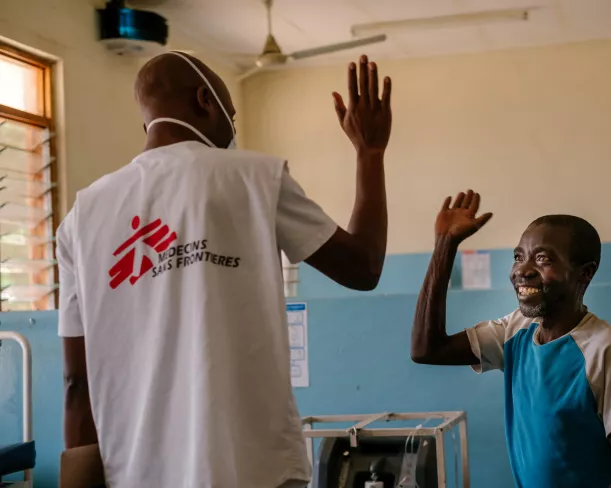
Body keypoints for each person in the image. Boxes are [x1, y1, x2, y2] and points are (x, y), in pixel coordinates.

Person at [57, 51, 392, 488]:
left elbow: (75, 383)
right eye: (231, 115)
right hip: (253, 471)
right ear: (205, 101)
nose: (232, 130)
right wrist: (370, 152)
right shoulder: (256, 178)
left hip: (134, 476)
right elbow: (362, 268)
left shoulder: (81, 218)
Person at [411, 190, 611, 488]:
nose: (522, 271)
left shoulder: (605, 349)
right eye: (518, 257)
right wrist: (445, 245)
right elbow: (427, 349)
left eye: (542, 259)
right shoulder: (516, 330)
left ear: (584, 274)